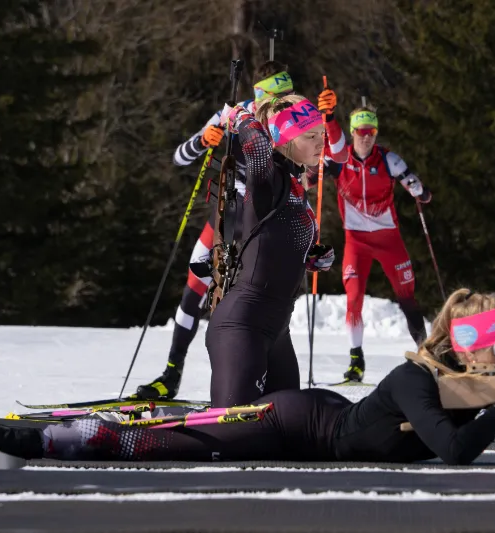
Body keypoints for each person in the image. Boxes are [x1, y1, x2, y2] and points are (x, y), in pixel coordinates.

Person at [0, 289, 495, 465]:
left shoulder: (478, 391)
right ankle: (17, 435)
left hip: (320, 421)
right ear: (476, 352)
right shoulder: (415, 376)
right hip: (296, 421)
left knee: (168, 437)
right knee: (161, 439)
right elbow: (454, 451)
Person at [133, 61, 347, 400]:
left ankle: (258, 372)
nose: (277, 104)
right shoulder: (237, 112)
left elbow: (336, 159)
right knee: (195, 286)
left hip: (269, 221)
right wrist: (205, 140)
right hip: (230, 215)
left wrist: (330, 121)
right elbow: (179, 156)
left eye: (285, 95)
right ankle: (172, 372)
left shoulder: (293, 121)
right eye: (273, 96)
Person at [203, 90, 347, 408]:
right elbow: (255, 146)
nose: (321, 142)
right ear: (284, 139)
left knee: (284, 436)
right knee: (232, 435)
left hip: (277, 331)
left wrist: (312, 257)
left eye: (321, 133)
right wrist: (240, 115)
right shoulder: (267, 179)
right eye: (310, 136)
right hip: (242, 327)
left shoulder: (295, 185)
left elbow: (276, 244)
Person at [319, 107, 432, 383]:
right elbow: (312, 175)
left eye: (371, 132)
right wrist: (312, 176)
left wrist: (419, 190)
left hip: (388, 239)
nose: (366, 138)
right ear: (353, 132)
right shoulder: (339, 159)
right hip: (356, 241)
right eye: (361, 132)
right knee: (354, 297)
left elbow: (419, 190)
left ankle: (426, 356)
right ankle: (356, 359)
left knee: (407, 297)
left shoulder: (388, 160)